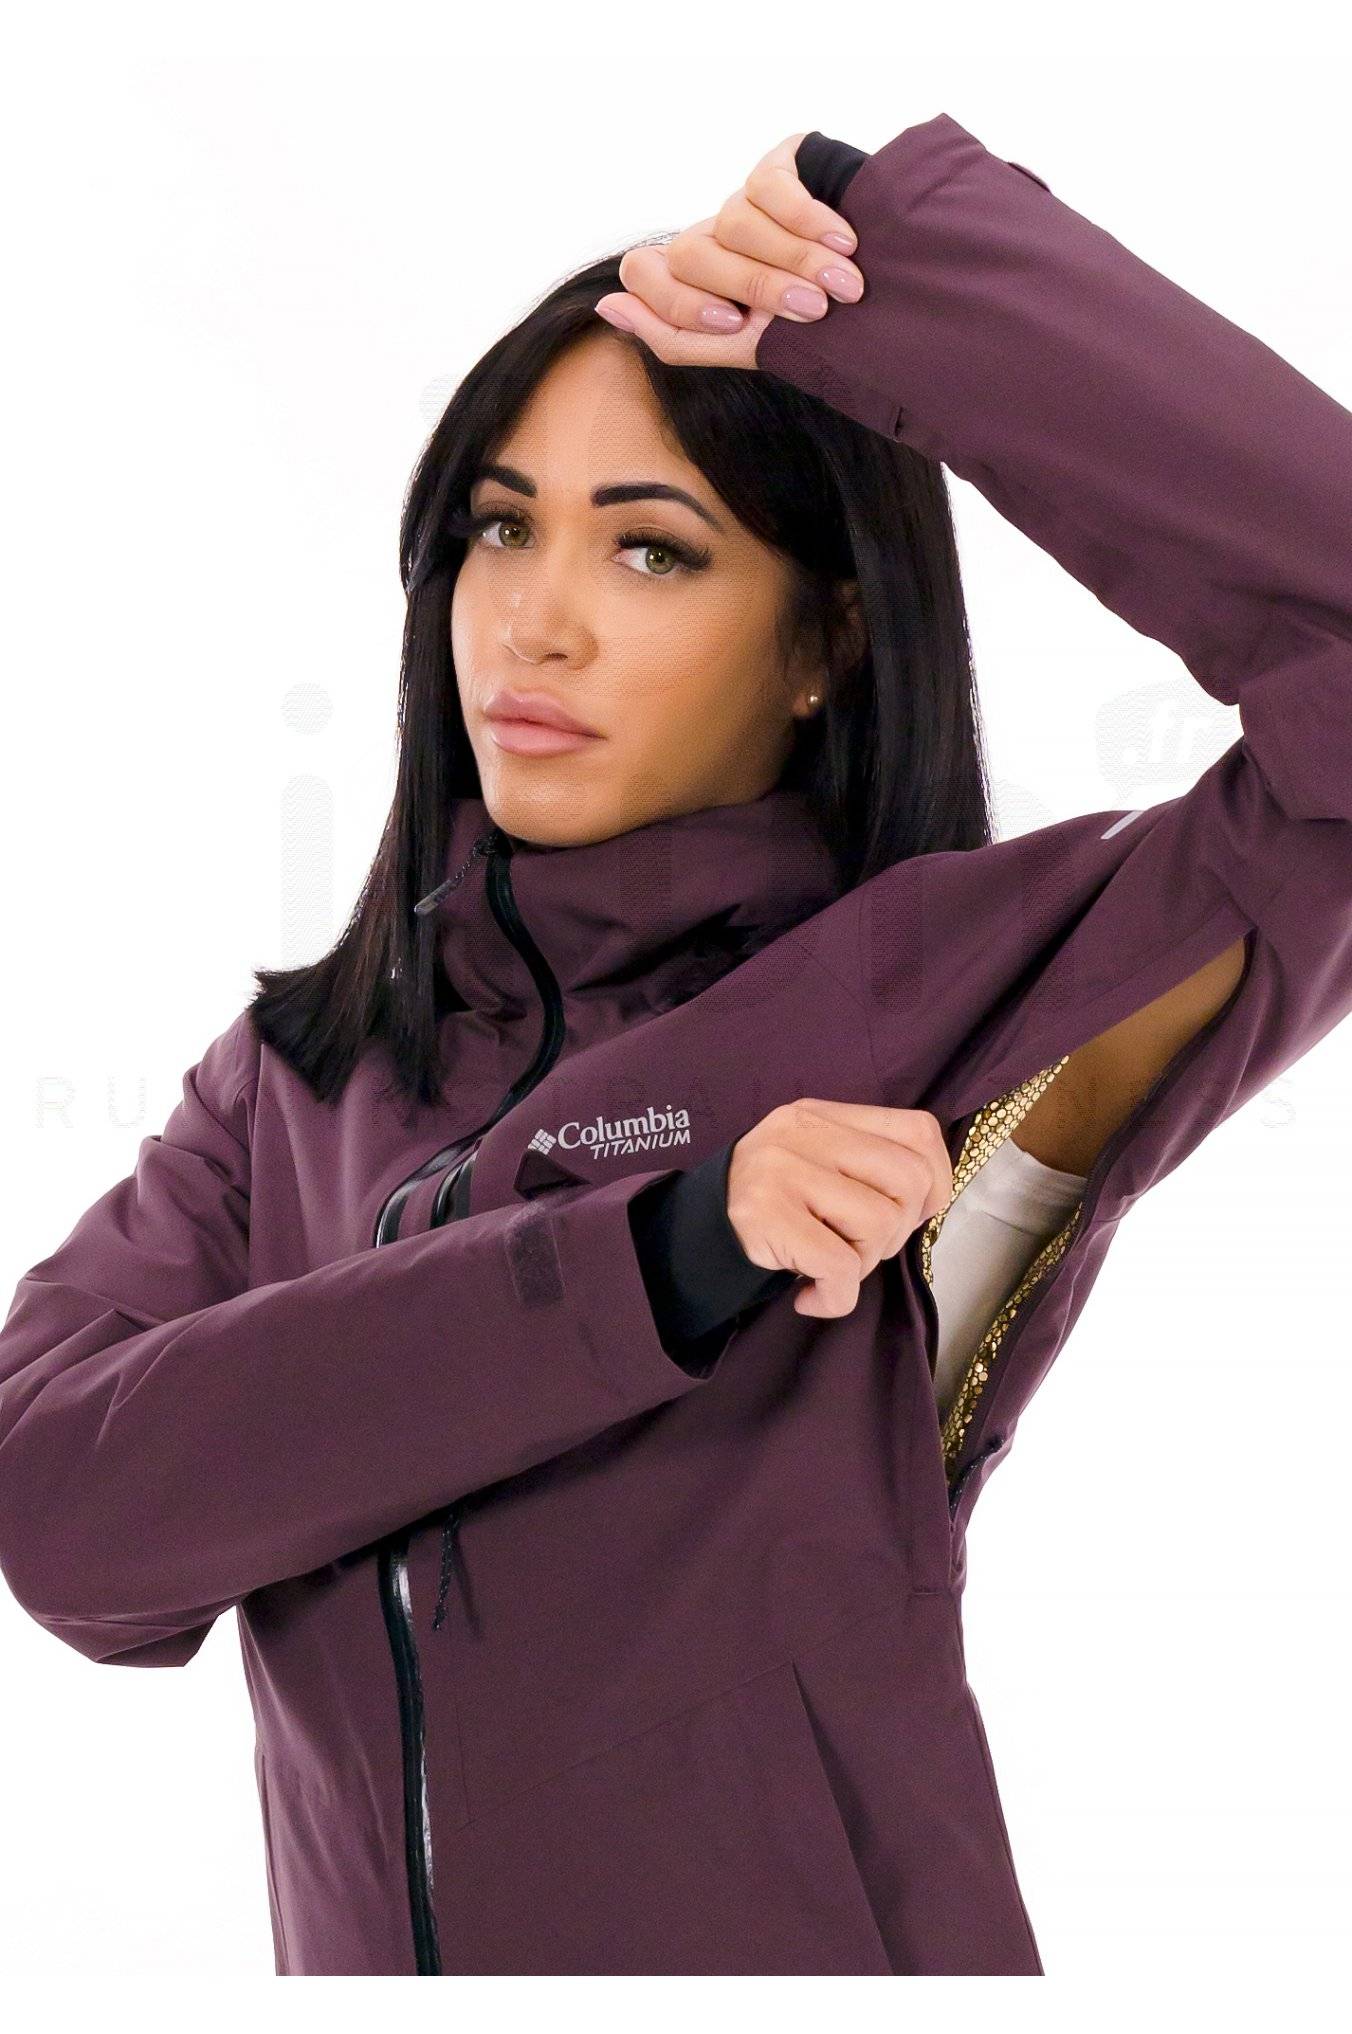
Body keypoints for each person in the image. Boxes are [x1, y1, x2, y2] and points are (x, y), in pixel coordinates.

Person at [0, 112, 1347, 1977]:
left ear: (822, 644)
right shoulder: (301, 1077)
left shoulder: (957, 1006)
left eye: (651, 551)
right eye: (500, 527)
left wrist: (907, 273)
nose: (532, 623)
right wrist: (657, 1255)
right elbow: (60, 1519)